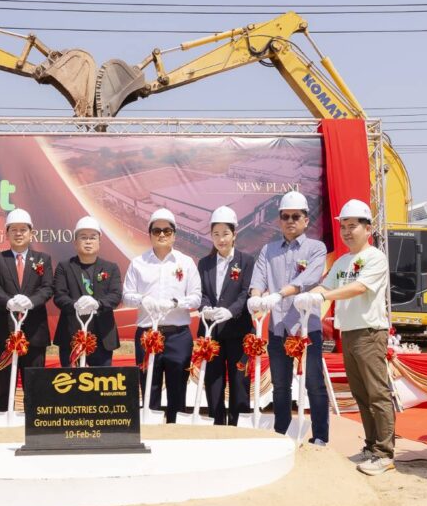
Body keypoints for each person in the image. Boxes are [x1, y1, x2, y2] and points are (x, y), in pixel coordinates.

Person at [296, 198, 394, 476]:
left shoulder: (375, 257)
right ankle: (371, 446)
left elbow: (358, 288)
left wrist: (324, 296)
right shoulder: (342, 261)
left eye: (353, 226)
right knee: (361, 394)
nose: (347, 232)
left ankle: (384, 453)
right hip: (349, 333)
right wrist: (305, 296)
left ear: (368, 228)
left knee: (377, 393)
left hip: (370, 332)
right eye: (344, 227)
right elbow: (325, 286)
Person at [247, 191, 329, 445]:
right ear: (279, 220)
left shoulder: (316, 248)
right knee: (281, 386)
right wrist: (255, 297)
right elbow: (259, 278)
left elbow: (308, 279)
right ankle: (280, 434)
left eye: (296, 216)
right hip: (278, 329)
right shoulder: (268, 250)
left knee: (314, 384)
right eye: (285, 216)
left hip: (306, 329)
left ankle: (320, 438)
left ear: (306, 219)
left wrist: (279, 294)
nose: (290, 221)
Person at [123, 208, 201, 423]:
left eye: (167, 230)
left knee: (178, 389)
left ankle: (175, 432)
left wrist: (176, 303)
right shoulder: (138, 263)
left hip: (178, 336)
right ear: (149, 234)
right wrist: (143, 300)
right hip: (147, 334)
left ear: (174, 234)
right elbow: (127, 296)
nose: (162, 235)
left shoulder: (186, 262)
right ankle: (150, 432)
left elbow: (196, 298)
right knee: (149, 386)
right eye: (156, 230)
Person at [0, 209, 54, 412]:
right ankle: (3, 421)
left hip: (35, 333)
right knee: (4, 386)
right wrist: (8, 302)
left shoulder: (43, 259)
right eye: (13, 229)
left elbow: (47, 288)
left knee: (35, 386)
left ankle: (35, 423)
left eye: (23, 229)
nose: (18, 233)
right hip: (4, 333)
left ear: (31, 233)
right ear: (6, 234)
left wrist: (30, 302)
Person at [196, 206, 254, 426]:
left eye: (225, 233)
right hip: (212, 333)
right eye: (216, 234)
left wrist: (231, 311)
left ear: (234, 234)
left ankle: (239, 426)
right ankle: (217, 424)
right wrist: (205, 308)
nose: (221, 239)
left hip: (238, 331)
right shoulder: (204, 263)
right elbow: (200, 293)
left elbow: (246, 292)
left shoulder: (246, 261)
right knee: (213, 381)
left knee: (239, 381)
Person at [52, 216, 123, 367]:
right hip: (71, 336)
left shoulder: (111, 268)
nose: (88, 241)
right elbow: (59, 296)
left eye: (92, 237)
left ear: (99, 241)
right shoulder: (64, 267)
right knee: (71, 381)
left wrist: (98, 304)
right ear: (75, 242)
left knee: (101, 381)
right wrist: (75, 305)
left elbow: (116, 296)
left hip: (102, 337)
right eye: (83, 237)